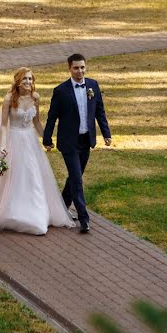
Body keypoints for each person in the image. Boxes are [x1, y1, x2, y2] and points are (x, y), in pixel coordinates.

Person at [0, 68, 75, 235]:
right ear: (18, 80)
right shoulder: (9, 99)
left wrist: (46, 139)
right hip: (13, 140)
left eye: (31, 79)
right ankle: (10, 213)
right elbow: (3, 125)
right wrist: (3, 145)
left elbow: (37, 122)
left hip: (30, 141)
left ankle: (36, 215)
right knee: (13, 176)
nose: (28, 82)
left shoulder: (35, 97)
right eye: (25, 79)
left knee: (33, 175)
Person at [42, 54, 112, 234]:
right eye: (76, 68)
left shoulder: (93, 85)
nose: (80, 71)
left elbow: (99, 111)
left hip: (86, 140)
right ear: (69, 69)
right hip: (68, 142)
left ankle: (62, 207)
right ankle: (83, 218)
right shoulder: (61, 91)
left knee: (74, 177)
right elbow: (52, 117)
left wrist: (106, 134)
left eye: (82, 67)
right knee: (77, 179)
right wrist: (47, 139)